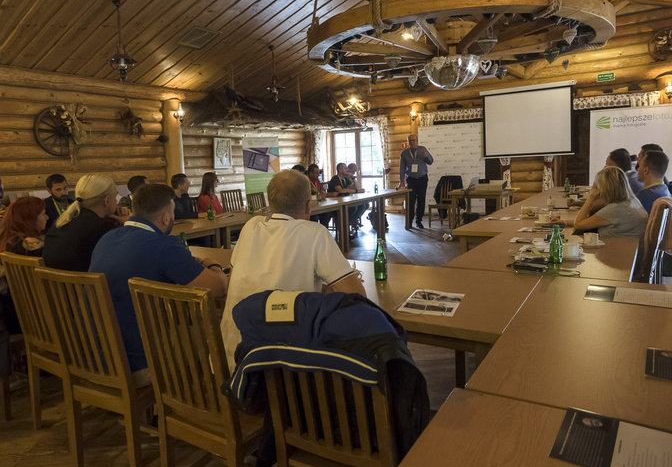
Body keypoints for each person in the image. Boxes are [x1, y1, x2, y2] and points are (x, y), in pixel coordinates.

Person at [220, 169, 366, 370]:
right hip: (286, 374)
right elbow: (357, 296)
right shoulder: (314, 233)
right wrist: (324, 290)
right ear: (308, 205)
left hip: (231, 363)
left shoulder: (250, 227)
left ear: (270, 203)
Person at [90, 184, 228, 375]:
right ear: (165, 217)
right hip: (139, 361)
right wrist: (214, 265)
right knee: (212, 333)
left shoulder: (107, 238)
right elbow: (219, 287)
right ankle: (207, 394)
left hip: (97, 353)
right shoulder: (163, 246)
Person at [0, 197, 48, 383]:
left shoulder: (9, 238)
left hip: (12, 311)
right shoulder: (30, 245)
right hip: (27, 318)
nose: (46, 219)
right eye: (42, 214)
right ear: (30, 218)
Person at [42, 174, 131, 271]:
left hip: (58, 284)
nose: (116, 201)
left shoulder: (66, 220)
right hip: (84, 285)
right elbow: (124, 259)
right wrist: (128, 224)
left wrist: (112, 215)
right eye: (115, 196)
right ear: (107, 200)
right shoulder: (100, 226)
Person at [558, 166, 647, 238]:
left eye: (598, 185)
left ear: (606, 187)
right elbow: (594, 220)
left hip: (618, 252)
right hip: (630, 249)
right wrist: (565, 222)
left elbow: (578, 224)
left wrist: (591, 198)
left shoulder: (615, 209)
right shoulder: (630, 200)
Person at [399, 134, 434, 229]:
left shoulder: (423, 149)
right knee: (411, 201)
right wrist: (401, 181)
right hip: (411, 179)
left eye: (413, 140)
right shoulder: (405, 153)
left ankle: (419, 221)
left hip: (422, 179)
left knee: (421, 201)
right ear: (408, 142)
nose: (412, 142)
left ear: (417, 141)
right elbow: (402, 168)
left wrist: (426, 156)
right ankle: (409, 221)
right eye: (410, 140)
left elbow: (431, 161)